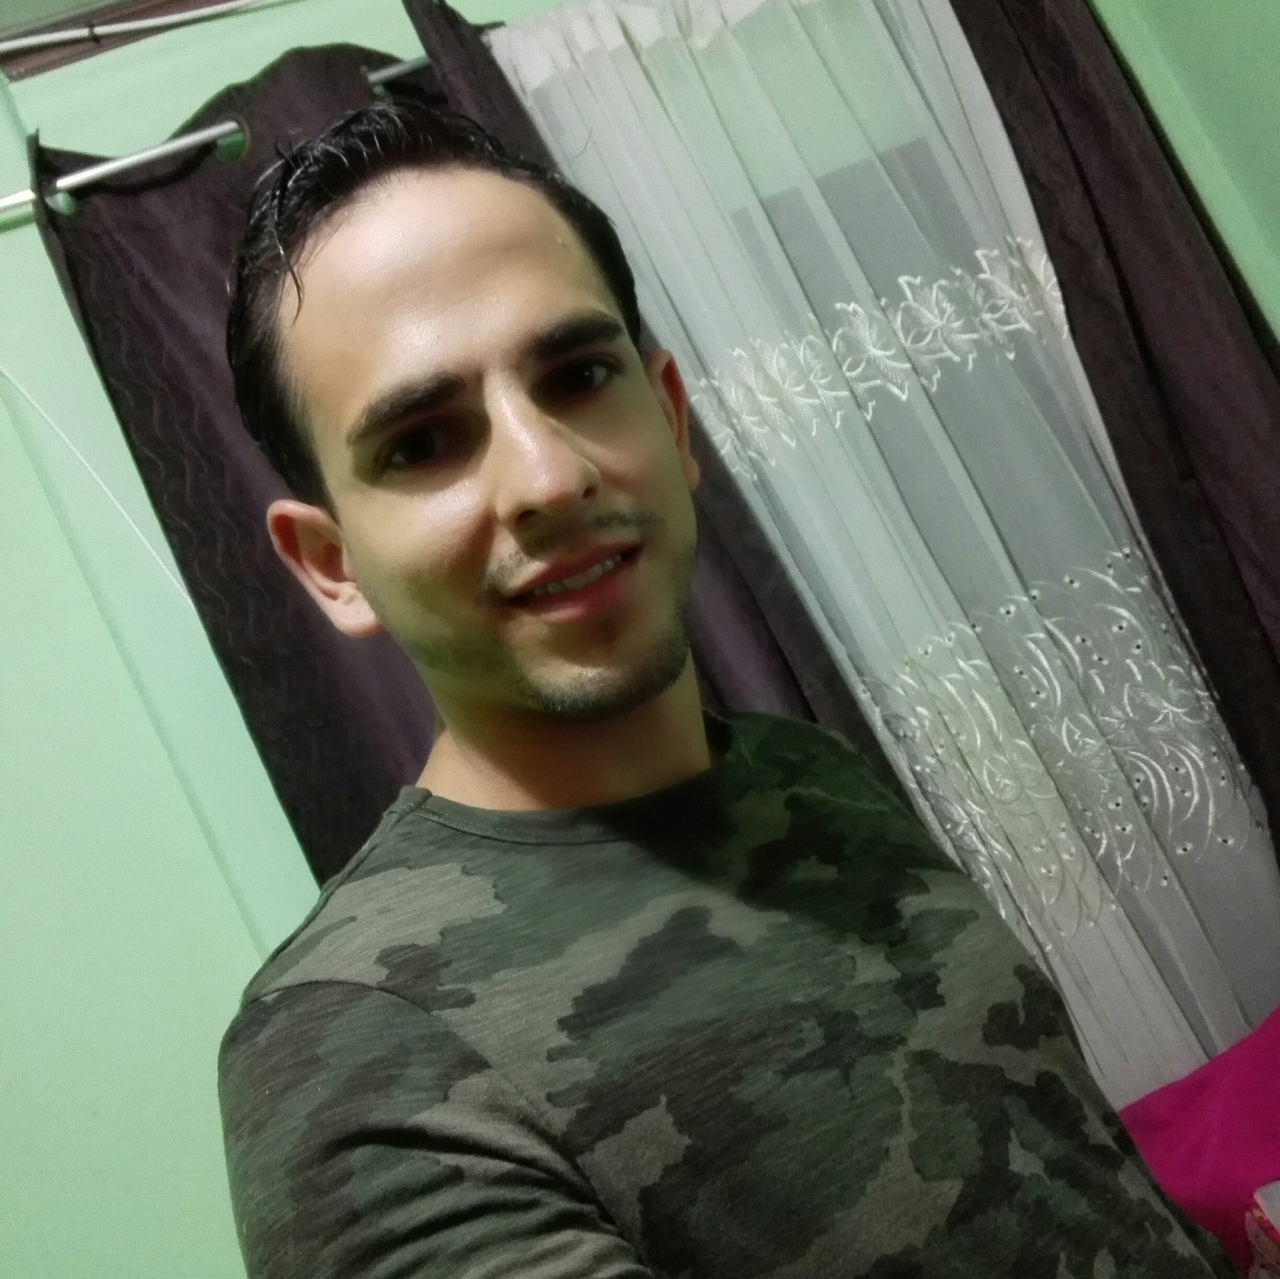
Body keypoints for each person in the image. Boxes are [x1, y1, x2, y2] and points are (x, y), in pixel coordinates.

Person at [217, 100, 1231, 1279]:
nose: (547, 476)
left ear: (670, 416)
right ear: (332, 564)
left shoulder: (807, 772)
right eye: (422, 442)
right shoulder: (354, 1053)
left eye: (578, 375)